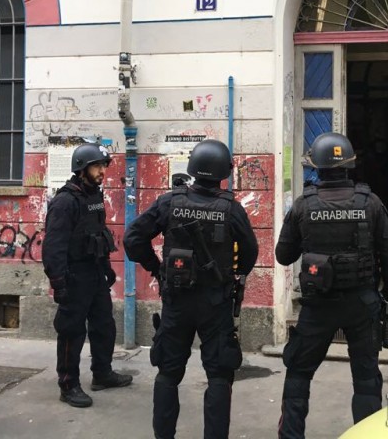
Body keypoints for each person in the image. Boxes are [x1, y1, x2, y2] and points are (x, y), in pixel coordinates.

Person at [124, 139, 258, 439]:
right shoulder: (231, 209)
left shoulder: (170, 202)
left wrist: (156, 268)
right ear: (223, 171)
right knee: (219, 375)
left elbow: (133, 239)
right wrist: (237, 275)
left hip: (177, 301)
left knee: (168, 373)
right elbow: (251, 251)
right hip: (215, 303)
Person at [276, 132, 388, 438]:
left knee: (299, 372)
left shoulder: (303, 205)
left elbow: (283, 255)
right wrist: (386, 293)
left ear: (317, 167)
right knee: (366, 378)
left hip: (318, 305)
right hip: (362, 303)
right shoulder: (370, 203)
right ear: (350, 166)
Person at [42, 142, 132, 408]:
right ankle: (68, 385)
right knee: (71, 331)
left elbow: (98, 235)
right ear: (82, 168)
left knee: (104, 325)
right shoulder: (65, 201)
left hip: (93, 271)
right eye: (97, 166)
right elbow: (53, 246)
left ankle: (102, 374)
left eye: (104, 166)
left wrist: (105, 267)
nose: (102, 171)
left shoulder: (93, 196)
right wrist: (58, 282)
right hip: (73, 274)